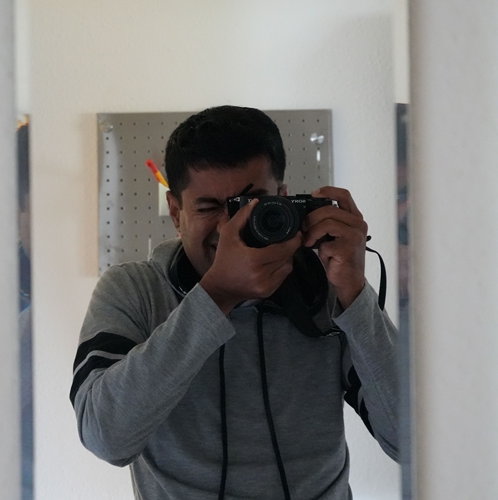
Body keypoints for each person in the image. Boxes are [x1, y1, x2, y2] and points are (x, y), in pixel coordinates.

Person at [70, 106, 398, 499]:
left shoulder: (323, 287)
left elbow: (409, 440)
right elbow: (105, 437)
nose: (229, 229)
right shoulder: (135, 290)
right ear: (175, 213)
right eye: (208, 208)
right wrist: (216, 297)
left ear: (282, 199)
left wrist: (355, 294)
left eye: (250, 204)